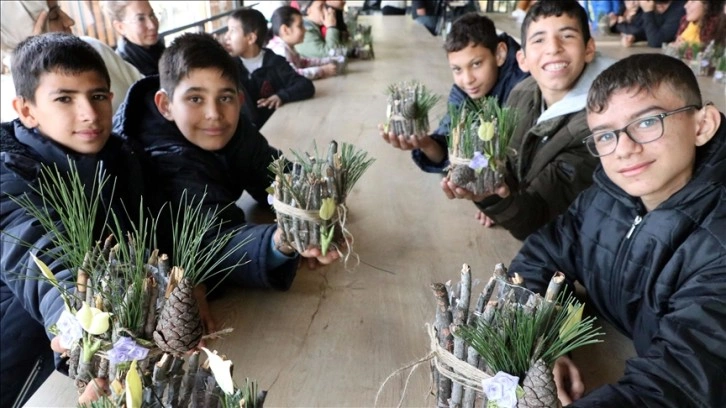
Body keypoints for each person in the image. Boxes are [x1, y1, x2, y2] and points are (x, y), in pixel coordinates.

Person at [508, 53, 726, 407]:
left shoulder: (717, 242)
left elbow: (679, 387)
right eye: (605, 135)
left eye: (647, 122)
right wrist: (541, 346)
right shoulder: (607, 195)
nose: (624, 149)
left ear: (702, 125)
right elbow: (539, 255)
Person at [113, 33, 338, 303]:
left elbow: (273, 171)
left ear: (239, 100)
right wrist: (283, 240)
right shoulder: (159, 154)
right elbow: (211, 241)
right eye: (195, 99)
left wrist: (317, 195)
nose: (214, 114)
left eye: (225, 98)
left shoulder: (234, 130)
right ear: (166, 106)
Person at [0, 32, 157, 407]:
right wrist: (79, 324)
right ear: (26, 110)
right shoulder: (9, 175)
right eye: (65, 99)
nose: (89, 113)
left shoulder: (126, 159)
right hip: (28, 366)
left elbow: (162, 233)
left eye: (98, 96)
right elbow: (38, 253)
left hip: (123, 354)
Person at [442, 0, 612, 240]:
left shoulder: (600, 124)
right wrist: (474, 172)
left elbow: (538, 217)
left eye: (567, 35)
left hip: (568, 245)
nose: (553, 48)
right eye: (539, 39)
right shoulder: (522, 92)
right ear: (522, 59)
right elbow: (501, 161)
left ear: (589, 49)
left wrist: (492, 198)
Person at [380, 13, 528, 175]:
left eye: (476, 64)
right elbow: (447, 144)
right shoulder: (464, 92)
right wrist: (427, 144)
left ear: (499, 55)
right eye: (457, 69)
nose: (467, 79)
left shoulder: (525, 87)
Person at [0, 0, 142, 121]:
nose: (69, 21)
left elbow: (150, 96)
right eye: (54, 16)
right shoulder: (8, 100)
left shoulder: (93, 50)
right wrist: (35, 55)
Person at [226, 8, 315, 128]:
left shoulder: (275, 63)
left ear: (251, 38)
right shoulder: (229, 67)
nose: (227, 36)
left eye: (232, 31)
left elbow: (305, 85)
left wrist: (281, 96)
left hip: (278, 128)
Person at [267, 5, 339, 80]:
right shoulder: (279, 50)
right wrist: (322, 70)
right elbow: (293, 74)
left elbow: (302, 63)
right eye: (300, 26)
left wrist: (329, 60)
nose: (305, 30)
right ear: (285, 30)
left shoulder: (288, 47)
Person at [101, 0, 165, 76]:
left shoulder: (159, 49)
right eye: (140, 19)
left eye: (152, 15)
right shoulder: (126, 68)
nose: (152, 25)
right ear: (120, 27)